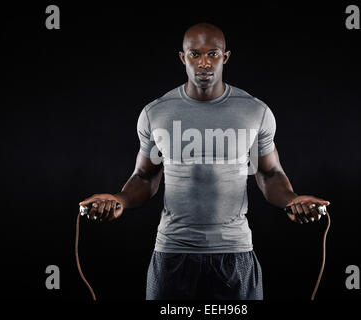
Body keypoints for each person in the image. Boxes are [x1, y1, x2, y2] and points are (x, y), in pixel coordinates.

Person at [79, 22, 330, 300]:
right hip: (172, 252)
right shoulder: (156, 113)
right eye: (194, 54)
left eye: (213, 54)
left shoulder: (254, 111)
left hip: (235, 252)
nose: (204, 63)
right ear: (182, 58)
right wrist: (119, 200)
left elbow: (270, 174)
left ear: (225, 57)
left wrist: (290, 200)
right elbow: (145, 176)